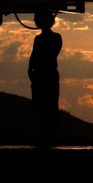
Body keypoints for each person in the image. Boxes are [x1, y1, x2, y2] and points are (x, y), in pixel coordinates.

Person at [28, 10, 63, 146]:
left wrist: (32, 70)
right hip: (43, 75)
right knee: (44, 106)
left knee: (48, 105)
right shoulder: (47, 38)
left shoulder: (53, 38)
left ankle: (48, 135)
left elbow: (38, 56)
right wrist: (31, 70)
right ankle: (46, 135)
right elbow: (34, 57)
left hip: (44, 75)